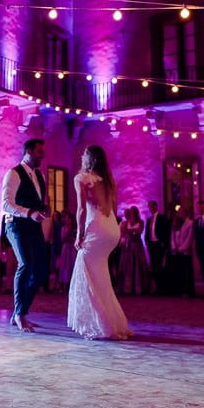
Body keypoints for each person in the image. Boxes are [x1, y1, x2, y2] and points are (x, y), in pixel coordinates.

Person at [67, 145, 133, 340]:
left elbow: (81, 209)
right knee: (101, 277)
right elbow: (114, 206)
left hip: (96, 228)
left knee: (85, 271)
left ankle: (101, 324)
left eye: (84, 154)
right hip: (112, 229)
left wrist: (79, 235)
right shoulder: (108, 180)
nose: (81, 156)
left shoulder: (82, 178)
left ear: (89, 159)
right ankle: (115, 323)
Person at [1, 137, 49, 332]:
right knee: (26, 264)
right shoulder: (13, 174)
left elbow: (37, 201)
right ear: (28, 151)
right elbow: (6, 204)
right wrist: (29, 212)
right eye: (39, 153)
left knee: (40, 271)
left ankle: (19, 311)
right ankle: (20, 315)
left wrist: (43, 208)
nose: (42, 157)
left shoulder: (40, 176)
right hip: (15, 225)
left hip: (33, 226)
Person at [117, 206, 149, 295]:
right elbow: (124, 230)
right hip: (128, 246)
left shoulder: (141, 222)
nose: (132, 213)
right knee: (127, 266)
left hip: (137, 246)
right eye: (131, 211)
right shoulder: (126, 222)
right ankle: (127, 288)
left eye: (134, 211)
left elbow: (139, 231)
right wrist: (132, 232)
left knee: (138, 264)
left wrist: (130, 232)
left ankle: (139, 287)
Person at [167, 207, 195, 297]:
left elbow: (189, 237)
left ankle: (189, 291)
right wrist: (174, 247)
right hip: (176, 251)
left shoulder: (190, 223)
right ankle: (180, 289)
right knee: (179, 271)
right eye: (179, 212)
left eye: (182, 212)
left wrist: (182, 248)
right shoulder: (175, 223)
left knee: (187, 271)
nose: (180, 214)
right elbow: (172, 237)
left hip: (185, 251)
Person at [55, 210, 77, 294]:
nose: (66, 220)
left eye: (68, 218)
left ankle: (72, 285)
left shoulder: (75, 228)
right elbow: (63, 238)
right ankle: (64, 285)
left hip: (72, 248)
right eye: (66, 218)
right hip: (65, 248)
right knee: (65, 267)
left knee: (72, 265)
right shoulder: (63, 228)